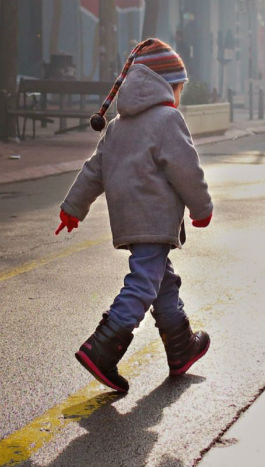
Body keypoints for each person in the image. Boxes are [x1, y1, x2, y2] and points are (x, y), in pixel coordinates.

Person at [55, 38, 213, 393]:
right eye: (179, 88)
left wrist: (72, 208)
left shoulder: (117, 127)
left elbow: (94, 170)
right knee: (144, 282)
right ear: (166, 86)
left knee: (162, 280)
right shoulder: (168, 119)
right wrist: (202, 208)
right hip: (155, 219)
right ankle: (103, 348)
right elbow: (186, 170)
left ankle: (181, 346)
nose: (179, 96)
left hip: (128, 219)